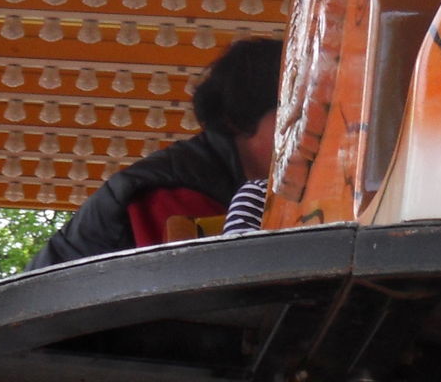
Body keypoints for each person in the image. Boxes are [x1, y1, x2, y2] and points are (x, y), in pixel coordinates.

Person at [29, 37, 282, 267]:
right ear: (238, 119)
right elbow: (196, 285)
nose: (298, 135)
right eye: (288, 117)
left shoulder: (209, 179)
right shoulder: (176, 192)